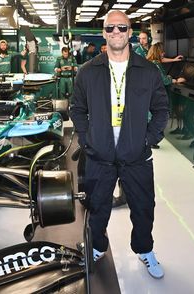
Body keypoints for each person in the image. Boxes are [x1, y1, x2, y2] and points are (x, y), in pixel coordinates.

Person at [70, 10, 169, 279]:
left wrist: (148, 139)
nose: (116, 32)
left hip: (136, 155)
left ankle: (144, 249)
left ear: (130, 32)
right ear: (104, 32)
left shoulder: (148, 71)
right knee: (97, 206)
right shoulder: (87, 72)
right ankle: (97, 247)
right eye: (110, 28)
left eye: (122, 28)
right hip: (99, 154)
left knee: (143, 206)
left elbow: (161, 109)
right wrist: (87, 137)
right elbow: (76, 109)